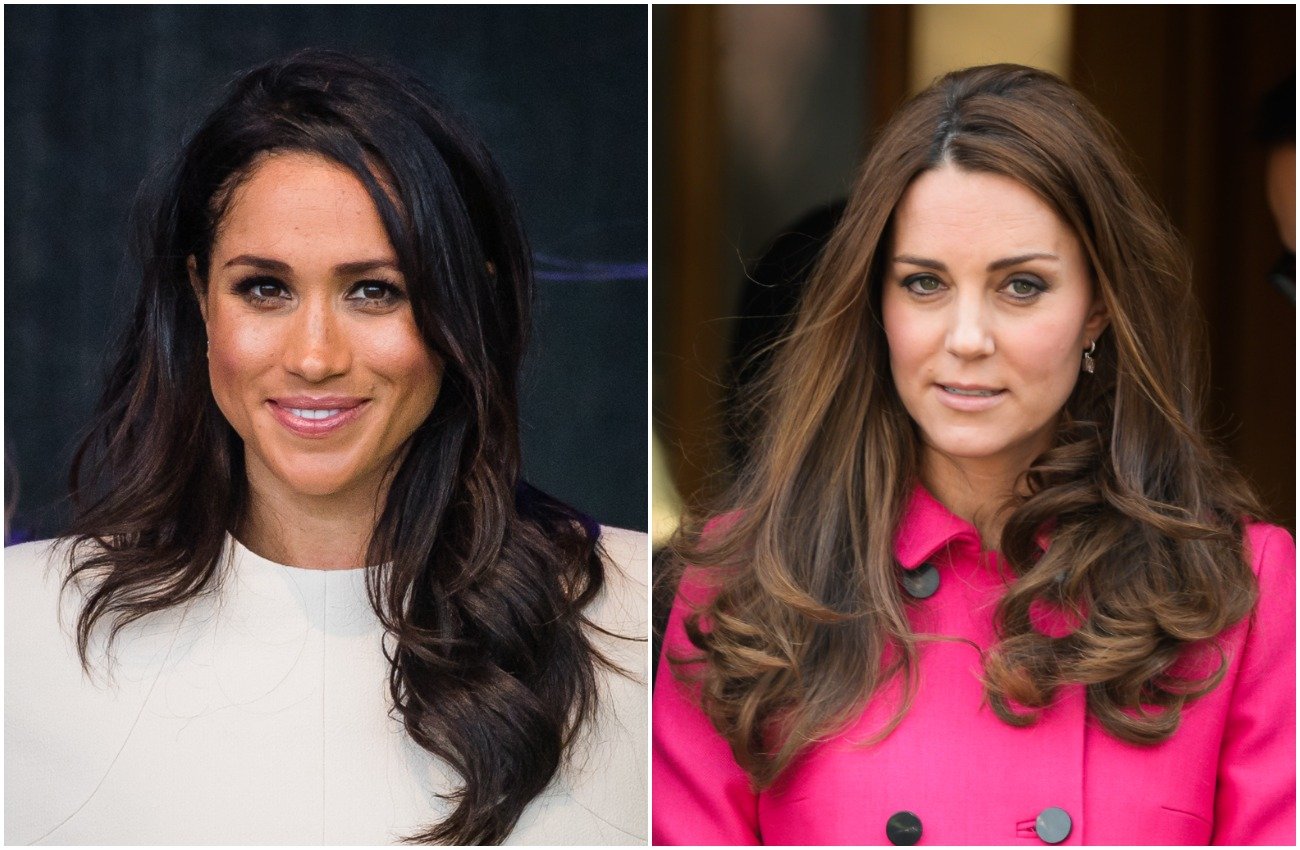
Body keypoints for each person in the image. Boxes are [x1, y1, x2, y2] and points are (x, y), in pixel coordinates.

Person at [6, 49, 646, 846]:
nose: (314, 357)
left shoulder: (636, 619)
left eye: (374, 290)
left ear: (464, 306)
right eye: (264, 288)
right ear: (200, 296)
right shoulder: (22, 629)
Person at [653, 64, 1294, 846]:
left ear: (1096, 307)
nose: (965, 338)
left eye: (1021, 286)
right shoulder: (744, 587)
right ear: (874, 303)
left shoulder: (1241, 590)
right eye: (924, 284)